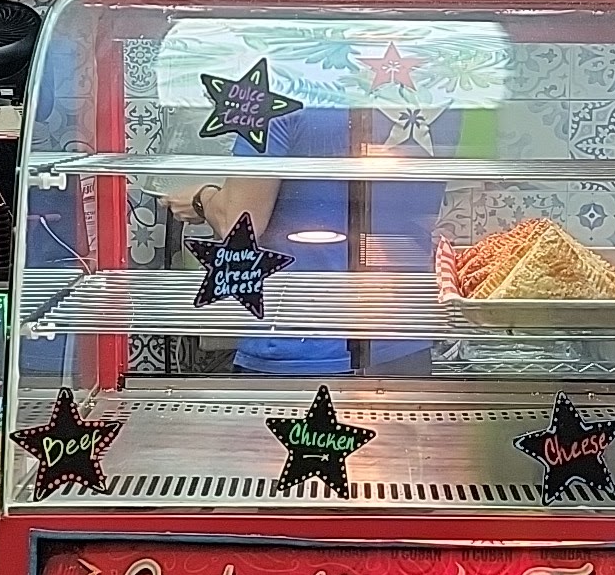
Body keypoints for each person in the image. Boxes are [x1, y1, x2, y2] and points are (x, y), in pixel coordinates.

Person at [167, 100, 457, 376]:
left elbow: (240, 224)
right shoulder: (435, 97)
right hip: (404, 335)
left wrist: (202, 200)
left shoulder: (278, 98)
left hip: (299, 346)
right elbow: (417, 212)